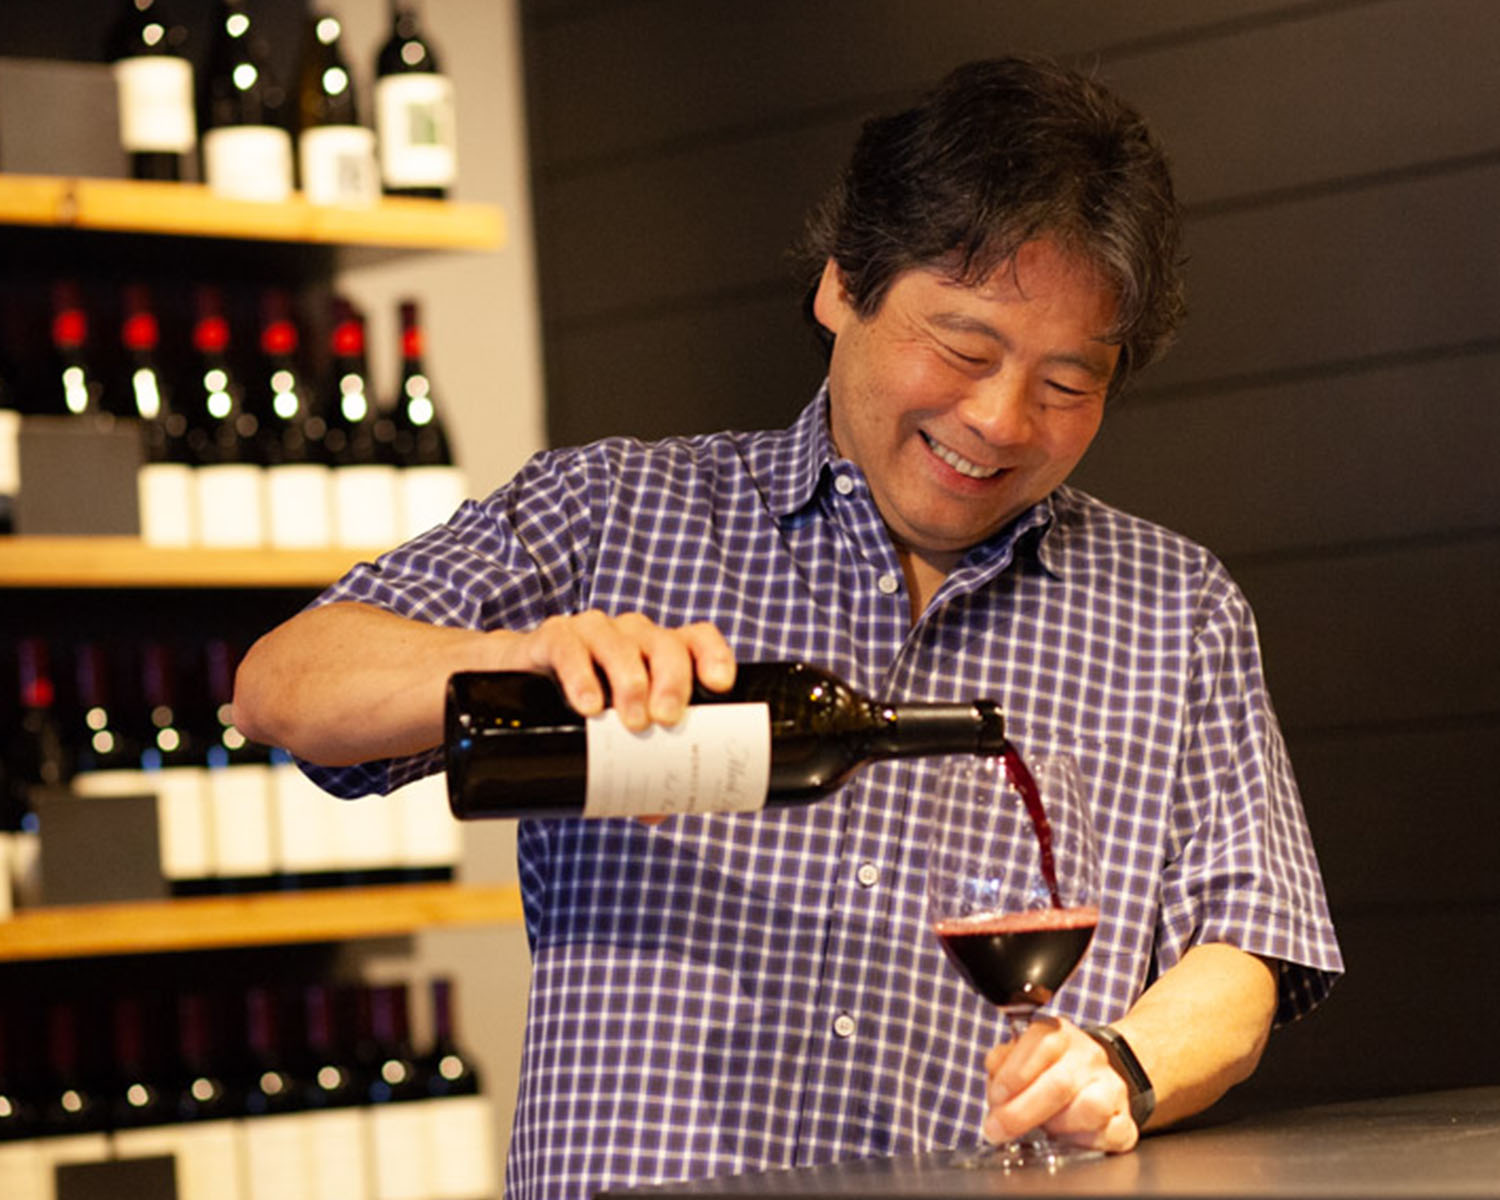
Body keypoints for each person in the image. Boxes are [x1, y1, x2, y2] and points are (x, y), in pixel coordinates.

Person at [235, 56, 1342, 1200]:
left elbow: (1246, 944)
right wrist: (514, 659)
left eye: (1069, 383)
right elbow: (284, 687)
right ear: (841, 286)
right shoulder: (609, 514)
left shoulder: (1175, 604)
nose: (1000, 420)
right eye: (963, 350)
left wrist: (1123, 1065)